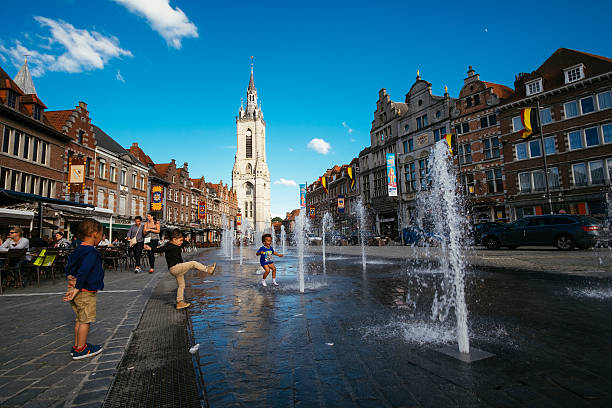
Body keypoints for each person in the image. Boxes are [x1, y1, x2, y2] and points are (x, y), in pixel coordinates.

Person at [63, 219, 105, 360]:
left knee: (79, 319)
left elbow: (69, 266)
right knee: (85, 320)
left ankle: (77, 345)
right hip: (85, 290)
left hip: (76, 289)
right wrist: (77, 287)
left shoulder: (78, 249)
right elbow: (84, 271)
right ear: (94, 234)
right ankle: (81, 349)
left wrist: (70, 278)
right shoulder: (91, 252)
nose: (102, 238)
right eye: (101, 235)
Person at [145, 229, 216, 309]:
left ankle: (179, 302)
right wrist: (150, 249)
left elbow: (183, 244)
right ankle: (207, 269)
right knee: (193, 263)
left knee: (181, 285)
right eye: (180, 240)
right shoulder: (169, 245)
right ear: (174, 239)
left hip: (178, 268)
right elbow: (159, 250)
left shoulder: (177, 245)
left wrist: (186, 240)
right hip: (175, 268)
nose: (181, 242)